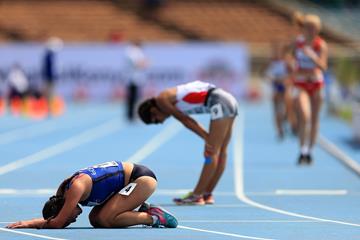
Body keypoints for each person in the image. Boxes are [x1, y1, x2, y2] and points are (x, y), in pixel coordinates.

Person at [138, 80, 238, 205]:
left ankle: (196, 195)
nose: (162, 122)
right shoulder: (167, 99)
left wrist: (207, 138)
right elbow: (187, 120)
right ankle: (206, 193)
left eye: (157, 120)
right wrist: (207, 137)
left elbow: (186, 120)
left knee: (210, 152)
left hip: (219, 102)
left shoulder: (162, 100)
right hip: (228, 100)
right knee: (221, 151)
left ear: (153, 111)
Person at [6, 161, 178, 229]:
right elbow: (60, 219)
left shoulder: (75, 189)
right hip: (128, 183)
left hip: (141, 180)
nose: (72, 220)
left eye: (69, 218)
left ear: (63, 209)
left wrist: (27, 223)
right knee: (95, 219)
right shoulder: (63, 193)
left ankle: (154, 217)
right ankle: (143, 209)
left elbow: (57, 223)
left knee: (106, 219)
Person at [287, 14, 328, 165]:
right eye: (308, 27)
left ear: (318, 29)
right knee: (305, 116)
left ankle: (309, 151)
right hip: (301, 83)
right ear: (303, 29)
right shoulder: (298, 43)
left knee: (315, 119)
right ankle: (302, 149)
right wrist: (291, 64)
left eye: (314, 28)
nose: (311, 31)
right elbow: (288, 56)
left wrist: (312, 57)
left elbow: (323, 66)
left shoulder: (321, 45)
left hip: (316, 83)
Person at [265, 41, 291, 140]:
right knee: (276, 110)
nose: (276, 52)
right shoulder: (272, 62)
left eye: (278, 50)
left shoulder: (287, 61)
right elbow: (266, 74)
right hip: (276, 86)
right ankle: (279, 130)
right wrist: (272, 79)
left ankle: (286, 117)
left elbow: (293, 74)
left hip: (285, 87)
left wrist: (286, 80)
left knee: (286, 105)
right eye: (275, 50)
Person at [124, 40, 149, 122]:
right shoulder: (132, 52)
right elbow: (138, 64)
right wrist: (144, 63)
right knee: (133, 98)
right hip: (132, 78)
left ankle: (132, 114)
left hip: (135, 78)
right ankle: (131, 115)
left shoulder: (133, 52)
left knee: (135, 98)